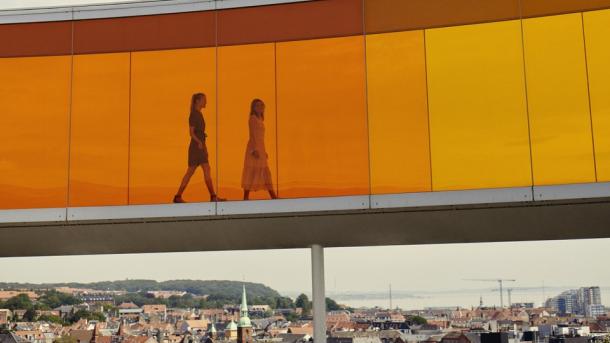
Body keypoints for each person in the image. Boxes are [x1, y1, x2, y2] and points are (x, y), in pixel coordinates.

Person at [174, 92, 225, 203]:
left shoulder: (198, 114)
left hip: (198, 145)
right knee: (205, 169)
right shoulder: (194, 114)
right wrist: (199, 142)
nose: (206, 102)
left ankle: (178, 196)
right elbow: (191, 133)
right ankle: (213, 196)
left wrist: (202, 138)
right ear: (198, 101)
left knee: (191, 172)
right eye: (204, 99)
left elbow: (196, 131)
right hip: (197, 146)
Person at [241, 99, 278, 200]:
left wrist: (263, 151)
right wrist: (254, 150)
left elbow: (260, 137)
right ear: (253, 108)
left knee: (265, 172)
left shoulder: (260, 119)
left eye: (262, 105)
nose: (260, 107)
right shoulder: (252, 118)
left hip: (260, 147)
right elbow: (252, 135)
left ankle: (273, 196)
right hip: (254, 148)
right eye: (257, 105)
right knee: (251, 171)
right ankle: (245, 197)